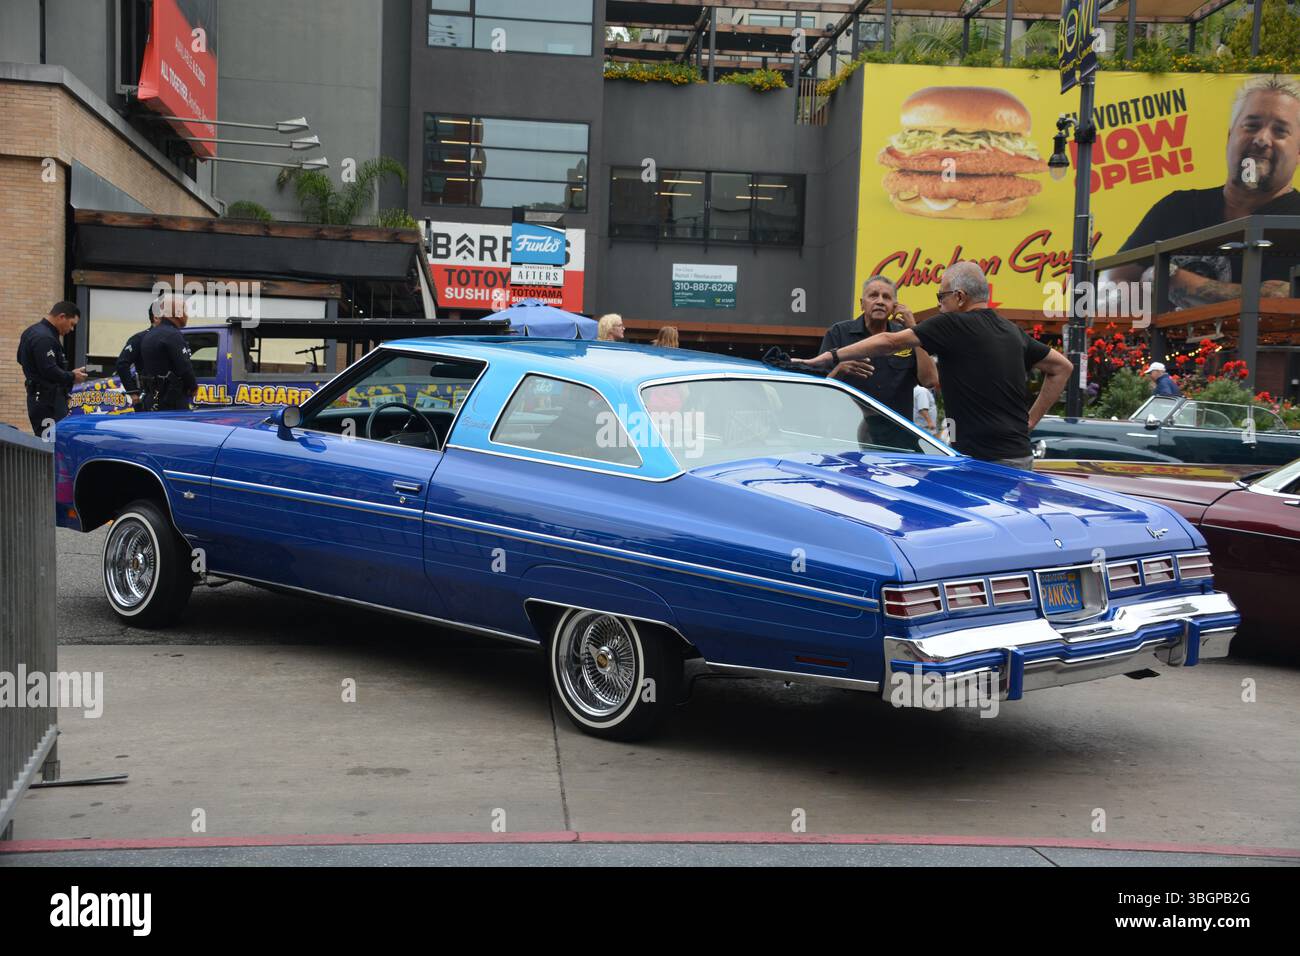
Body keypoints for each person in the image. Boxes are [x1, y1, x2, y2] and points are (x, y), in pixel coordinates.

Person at [797, 261, 1073, 470]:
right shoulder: (1011, 330)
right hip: (1020, 456)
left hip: (980, 460)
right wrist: (1031, 420)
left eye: (942, 298)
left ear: (960, 297)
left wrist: (829, 357)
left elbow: (890, 342)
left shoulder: (953, 324)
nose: (940, 306)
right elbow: (1062, 367)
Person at [1102, 75, 1300, 309]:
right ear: (1230, 138)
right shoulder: (1177, 208)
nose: (1261, 139)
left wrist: (1177, 280)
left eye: (1279, 131)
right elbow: (1110, 284)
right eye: (1252, 125)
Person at [819, 275, 938, 420]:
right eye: (873, 296)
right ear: (862, 304)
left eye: (886, 297)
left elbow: (930, 380)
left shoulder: (906, 336)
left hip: (897, 434)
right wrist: (840, 370)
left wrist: (914, 329)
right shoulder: (838, 333)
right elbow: (820, 389)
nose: (880, 301)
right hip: (847, 430)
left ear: (895, 306)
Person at [16, 301, 87, 435]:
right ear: (62, 317)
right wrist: (72, 376)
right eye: (72, 324)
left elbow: (21, 359)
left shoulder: (32, 331)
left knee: (49, 442)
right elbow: (49, 370)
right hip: (48, 401)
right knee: (51, 444)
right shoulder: (45, 338)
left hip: (41, 397)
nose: (71, 329)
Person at [138, 294, 197, 411]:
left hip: (152, 398)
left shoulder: (150, 334)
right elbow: (184, 367)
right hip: (172, 401)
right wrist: (193, 386)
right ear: (178, 313)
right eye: (185, 311)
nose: (187, 315)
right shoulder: (173, 335)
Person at [116, 297, 163, 403]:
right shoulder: (140, 338)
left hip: (172, 395)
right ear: (156, 317)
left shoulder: (174, 338)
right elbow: (122, 364)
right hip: (150, 395)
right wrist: (133, 392)